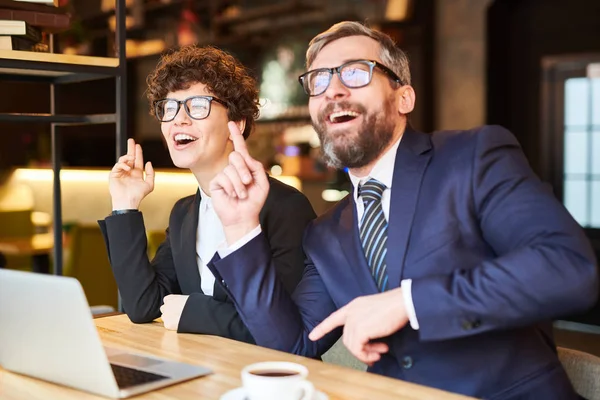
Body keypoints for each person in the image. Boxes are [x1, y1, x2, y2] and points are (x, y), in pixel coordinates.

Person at [205, 21, 599, 399]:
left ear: (404, 96)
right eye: (319, 80)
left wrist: (408, 302)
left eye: (355, 73)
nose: (333, 90)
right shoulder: (324, 233)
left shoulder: (473, 158)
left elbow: (567, 268)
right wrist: (241, 227)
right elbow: (292, 345)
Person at [98, 45, 316, 343]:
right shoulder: (184, 213)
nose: (179, 120)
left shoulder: (286, 207)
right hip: (200, 368)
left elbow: (284, 327)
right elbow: (143, 305)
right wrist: (125, 206)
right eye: (169, 108)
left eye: (197, 106)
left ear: (235, 124)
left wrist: (194, 311)